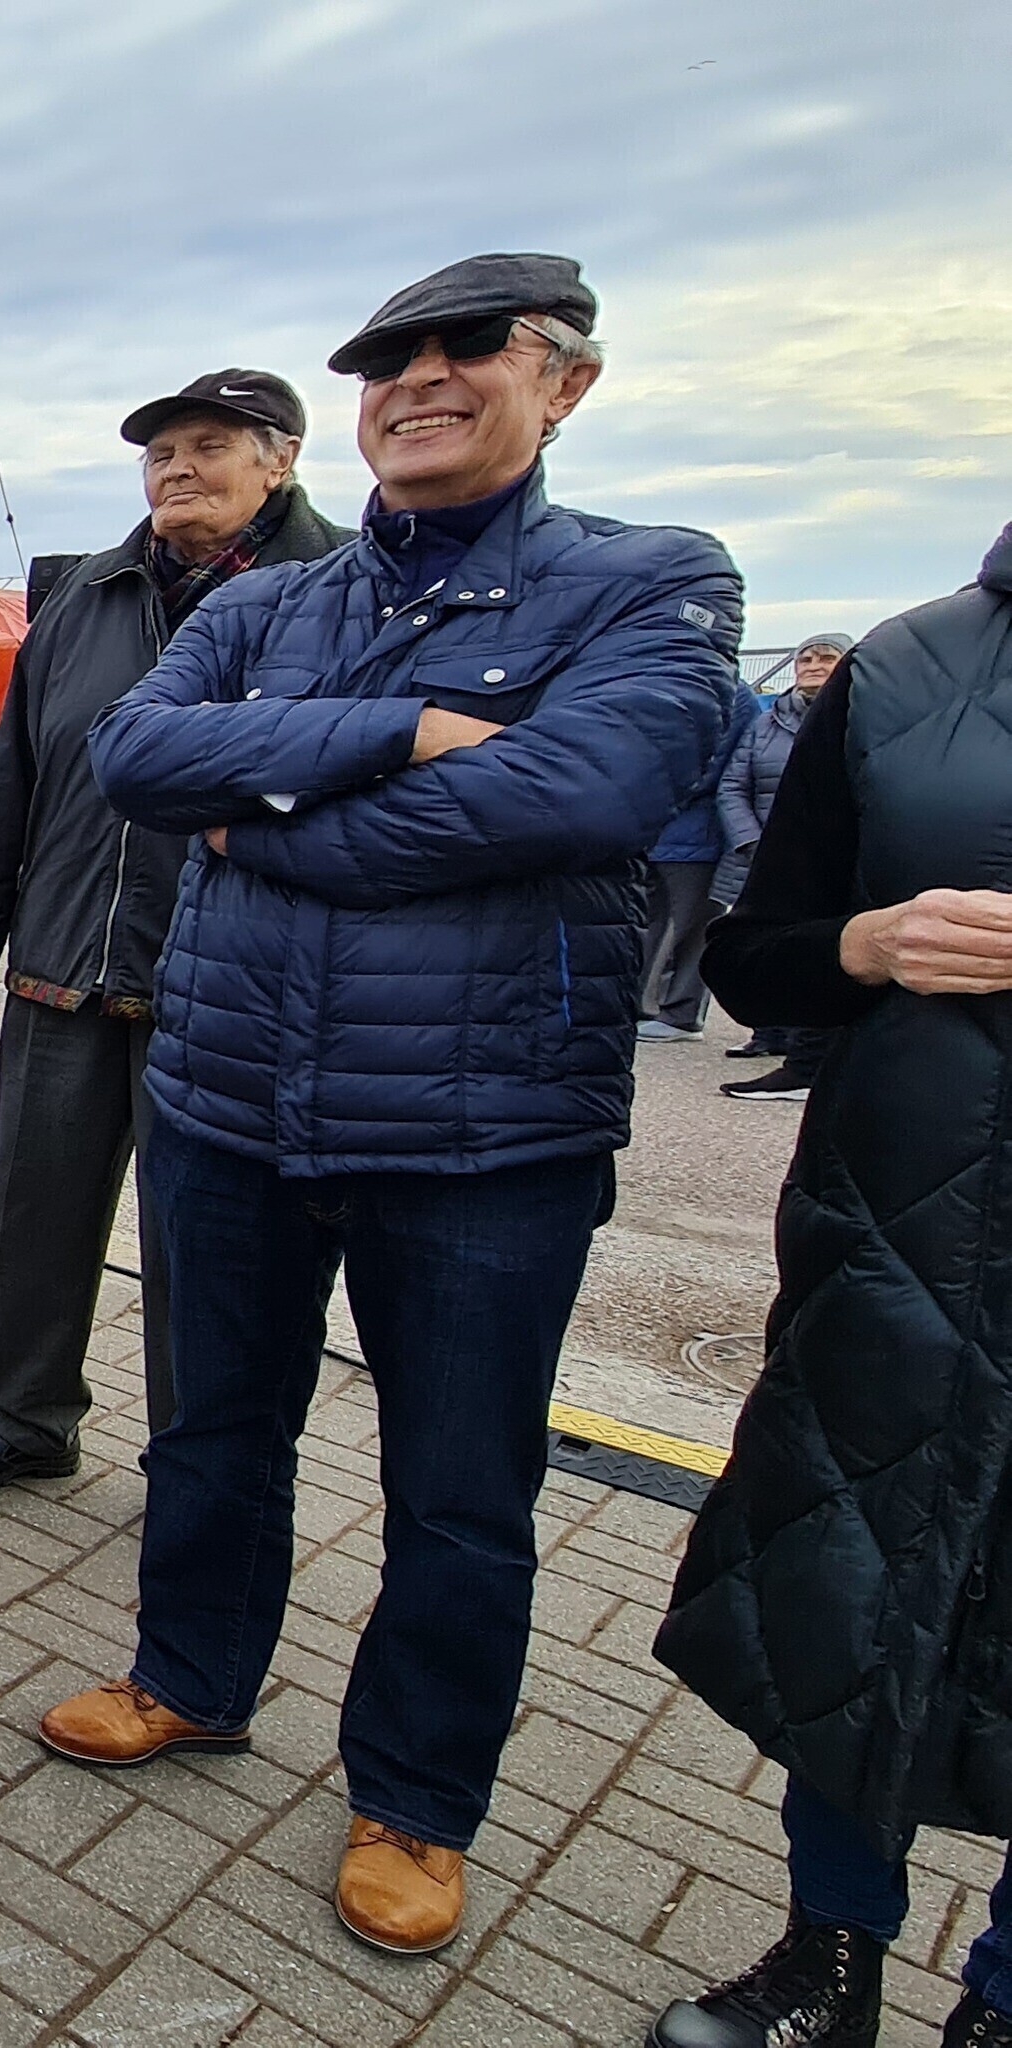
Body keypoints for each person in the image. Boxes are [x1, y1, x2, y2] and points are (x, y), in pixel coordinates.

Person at [53, 253, 742, 1957]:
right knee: (211, 1428)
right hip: (230, 1096)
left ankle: (417, 1795)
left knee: (457, 1486)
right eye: (385, 360)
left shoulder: (654, 579)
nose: (418, 379)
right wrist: (410, 731)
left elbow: (587, 789)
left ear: (564, 382)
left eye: (467, 348)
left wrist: (263, 809)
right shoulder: (264, 603)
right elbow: (134, 759)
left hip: (485, 1133)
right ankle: (190, 1675)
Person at [645, 525, 1012, 2048]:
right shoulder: (910, 661)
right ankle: (827, 1952)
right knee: (854, 1582)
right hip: (900, 1222)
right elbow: (758, 953)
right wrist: (863, 941)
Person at [0, 369, 351, 1495]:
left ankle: (194, 1459)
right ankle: (28, 1416)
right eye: (160, 453)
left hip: (231, 984)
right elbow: (13, 784)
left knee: (203, 1248)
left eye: (208, 446)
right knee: (35, 1214)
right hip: (62, 964)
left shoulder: (340, 588)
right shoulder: (88, 595)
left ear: (281, 461)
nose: (176, 470)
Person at [714, 631, 852, 1101]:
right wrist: (752, 840)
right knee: (758, 938)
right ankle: (768, 1033)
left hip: (827, 853)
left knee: (816, 944)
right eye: (805, 658)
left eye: (826, 657)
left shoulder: (859, 713)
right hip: (761, 852)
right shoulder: (765, 722)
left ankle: (807, 1059)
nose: (813, 665)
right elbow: (733, 785)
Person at [637, 667, 763, 1042]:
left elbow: (721, 764)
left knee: (690, 927)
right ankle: (643, 1006)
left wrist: (652, 790)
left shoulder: (735, 696)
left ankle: (681, 1013)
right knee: (650, 923)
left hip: (698, 833)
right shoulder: (665, 683)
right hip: (656, 829)